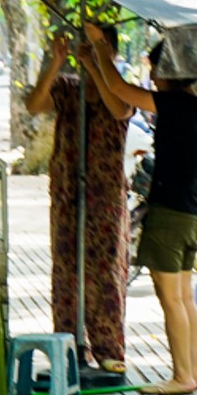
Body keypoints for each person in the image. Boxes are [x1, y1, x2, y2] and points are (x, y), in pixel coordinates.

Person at [82, 26, 197, 395]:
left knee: (170, 297)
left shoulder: (174, 104)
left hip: (170, 215)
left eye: (156, 70)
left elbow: (121, 91)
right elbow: (118, 90)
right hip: (191, 215)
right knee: (184, 297)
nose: (152, 77)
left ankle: (182, 376)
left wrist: (99, 50)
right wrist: (95, 65)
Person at [26, 27, 132, 376]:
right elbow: (34, 105)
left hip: (104, 193)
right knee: (67, 268)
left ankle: (108, 347)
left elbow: (118, 109)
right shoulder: (69, 88)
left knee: (104, 269)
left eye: (101, 48)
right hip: (69, 190)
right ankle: (69, 346)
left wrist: (98, 65)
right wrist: (57, 62)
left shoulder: (119, 88)